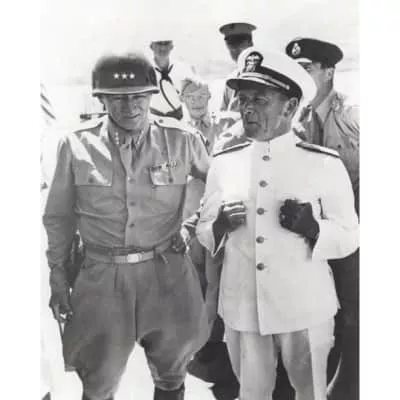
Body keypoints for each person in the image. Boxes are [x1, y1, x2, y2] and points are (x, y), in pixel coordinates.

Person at [43, 52, 210, 400]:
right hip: (102, 277)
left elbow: (218, 187)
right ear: (101, 100)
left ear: (151, 95)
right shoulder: (75, 145)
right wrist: (57, 276)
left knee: (172, 373)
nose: (130, 106)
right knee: (98, 379)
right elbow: (58, 217)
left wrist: (192, 225)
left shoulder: (182, 139)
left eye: (138, 96)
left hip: (167, 274)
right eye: (117, 98)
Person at [196, 47, 360, 400]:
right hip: (243, 308)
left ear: (290, 106)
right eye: (243, 99)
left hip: (305, 308)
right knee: (250, 394)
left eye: (260, 99)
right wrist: (219, 226)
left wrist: (314, 229)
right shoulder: (225, 163)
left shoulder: (324, 164)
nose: (247, 108)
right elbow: (204, 229)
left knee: (311, 392)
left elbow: (350, 236)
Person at [286, 37, 360, 399]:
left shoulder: (352, 114)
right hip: (312, 228)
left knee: (354, 308)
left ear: (329, 72)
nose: (300, 76)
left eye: (307, 69)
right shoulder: (298, 116)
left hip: (353, 224)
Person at [179, 75, 240, 400]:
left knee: (225, 285)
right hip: (194, 220)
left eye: (202, 96)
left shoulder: (227, 125)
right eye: (191, 97)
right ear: (182, 100)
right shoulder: (176, 134)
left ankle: (229, 356)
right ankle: (207, 351)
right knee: (200, 287)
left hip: (226, 218)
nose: (197, 102)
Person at [149, 37, 196, 119]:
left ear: (171, 46)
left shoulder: (183, 68)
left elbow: (195, 95)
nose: (163, 48)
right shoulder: (145, 69)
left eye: (166, 43)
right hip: (153, 119)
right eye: (159, 43)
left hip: (178, 119)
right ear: (151, 46)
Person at [219, 22, 256, 112]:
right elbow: (223, 112)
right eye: (230, 44)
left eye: (240, 43)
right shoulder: (231, 79)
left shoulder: (262, 74)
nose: (235, 49)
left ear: (250, 44)